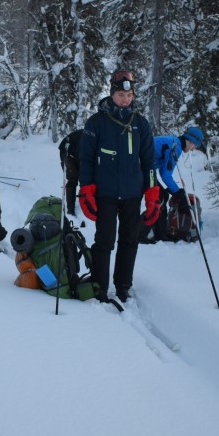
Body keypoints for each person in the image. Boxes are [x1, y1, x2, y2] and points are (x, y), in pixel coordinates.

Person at [78, 70, 157, 303]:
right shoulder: (96, 123)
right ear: (112, 93)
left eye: (129, 95)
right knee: (104, 240)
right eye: (121, 94)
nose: (126, 99)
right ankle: (100, 286)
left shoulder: (141, 124)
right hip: (105, 193)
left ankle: (123, 285)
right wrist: (86, 190)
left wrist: (152, 194)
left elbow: (149, 161)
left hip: (133, 193)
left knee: (130, 240)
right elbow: (87, 160)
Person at [142, 127, 204, 243]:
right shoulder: (175, 146)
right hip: (138, 169)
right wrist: (178, 193)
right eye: (194, 146)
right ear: (190, 141)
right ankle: (140, 233)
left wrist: (176, 191)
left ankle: (160, 233)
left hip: (143, 169)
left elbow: (163, 169)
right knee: (158, 198)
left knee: (163, 195)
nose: (192, 149)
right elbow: (165, 174)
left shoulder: (173, 142)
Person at [57, 129, 83, 216]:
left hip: (76, 150)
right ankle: (70, 209)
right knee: (73, 179)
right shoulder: (91, 139)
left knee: (85, 178)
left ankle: (84, 203)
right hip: (67, 150)